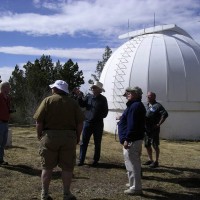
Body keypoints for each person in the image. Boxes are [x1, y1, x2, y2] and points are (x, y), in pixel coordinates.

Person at [33, 80, 84, 200]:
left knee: (47, 167)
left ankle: (44, 194)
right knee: (67, 167)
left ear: (55, 89)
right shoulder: (73, 103)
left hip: (50, 137)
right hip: (69, 137)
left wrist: (39, 135)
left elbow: (39, 121)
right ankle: (66, 193)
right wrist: (77, 136)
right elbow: (80, 123)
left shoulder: (48, 101)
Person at [118, 86, 146, 195]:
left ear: (136, 94)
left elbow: (132, 125)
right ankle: (132, 183)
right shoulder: (134, 105)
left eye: (130, 92)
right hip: (132, 139)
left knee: (133, 164)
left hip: (132, 140)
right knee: (130, 163)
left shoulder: (135, 106)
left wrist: (127, 139)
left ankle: (136, 188)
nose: (127, 94)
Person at [75, 81, 108, 167]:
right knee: (83, 142)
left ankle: (95, 160)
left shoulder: (103, 99)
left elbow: (105, 113)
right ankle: (81, 160)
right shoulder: (88, 97)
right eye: (92, 87)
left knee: (97, 143)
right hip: (87, 123)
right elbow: (82, 104)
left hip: (98, 124)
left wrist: (96, 116)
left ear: (99, 90)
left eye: (95, 87)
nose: (93, 89)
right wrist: (79, 96)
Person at [143, 91, 168, 168]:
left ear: (154, 97)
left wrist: (159, 124)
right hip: (146, 129)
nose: (148, 97)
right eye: (147, 96)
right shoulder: (147, 106)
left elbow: (165, 114)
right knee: (147, 145)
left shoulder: (158, 106)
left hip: (154, 129)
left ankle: (156, 161)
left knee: (155, 145)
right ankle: (150, 160)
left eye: (150, 96)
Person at [0, 82, 12, 165]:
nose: (10, 89)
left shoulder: (7, 98)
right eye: (8, 87)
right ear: (3, 88)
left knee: (3, 143)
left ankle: (0, 159)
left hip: (5, 122)